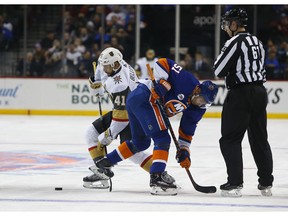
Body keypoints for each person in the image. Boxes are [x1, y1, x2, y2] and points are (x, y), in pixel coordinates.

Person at [95, 58, 218, 195]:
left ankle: (105, 162)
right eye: (201, 100)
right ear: (197, 90)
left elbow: (187, 130)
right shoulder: (187, 80)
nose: (201, 104)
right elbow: (163, 62)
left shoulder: (198, 108)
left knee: (140, 143)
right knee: (162, 138)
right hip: (144, 97)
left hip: (137, 101)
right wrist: (162, 83)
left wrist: (184, 150)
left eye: (205, 103)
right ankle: (157, 177)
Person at [214, 8, 274, 197]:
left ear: (234, 24)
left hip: (241, 93)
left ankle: (235, 183)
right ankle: (266, 183)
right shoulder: (257, 41)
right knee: (259, 139)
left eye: (227, 23)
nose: (225, 27)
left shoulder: (234, 41)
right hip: (259, 92)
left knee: (230, 139)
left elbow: (219, 70)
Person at [83, 47, 154, 189]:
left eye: (106, 66)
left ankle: (158, 173)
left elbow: (122, 118)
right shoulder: (115, 63)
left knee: (132, 153)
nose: (103, 68)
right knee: (90, 133)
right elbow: (99, 72)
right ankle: (103, 171)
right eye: (103, 65)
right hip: (123, 110)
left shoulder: (120, 83)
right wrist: (96, 85)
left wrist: (108, 137)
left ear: (115, 64)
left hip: (132, 115)